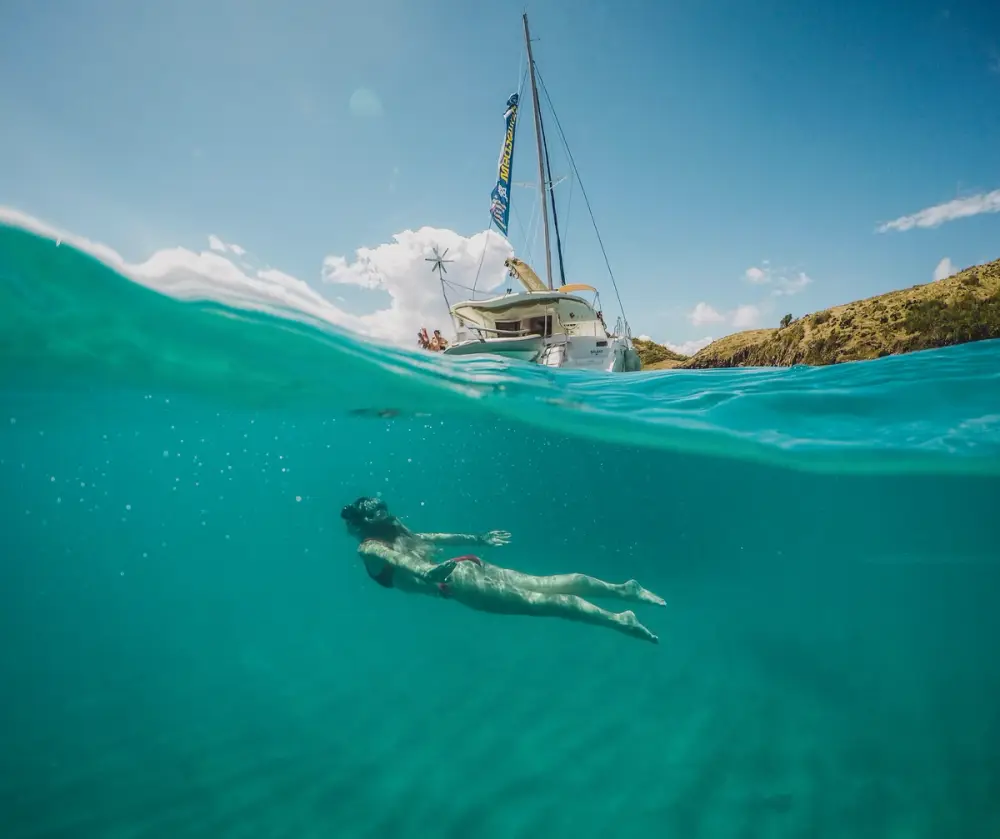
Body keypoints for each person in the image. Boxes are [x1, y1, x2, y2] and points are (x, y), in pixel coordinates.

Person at [340, 496, 664, 644]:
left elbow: (403, 560)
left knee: (545, 602)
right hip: (467, 566)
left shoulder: (369, 545)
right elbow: (432, 539)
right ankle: (623, 590)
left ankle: (619, 619)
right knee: (545, 585)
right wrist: (476, 540)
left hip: (456, 582)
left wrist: (429, 573)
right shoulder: (397, 534)